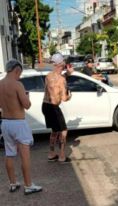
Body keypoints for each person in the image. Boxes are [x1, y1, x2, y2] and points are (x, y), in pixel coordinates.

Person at [0, 59, 42, 195]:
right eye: (20, 73)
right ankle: (28, 185)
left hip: (5, 122)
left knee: (9, 154)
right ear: (17, 70)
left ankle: (13, 183)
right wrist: (27, 97)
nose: (20, 76)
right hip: (18, 122)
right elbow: (27, 105)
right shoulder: (17, 85)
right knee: (25, 155)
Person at [42, 53, 71, 163]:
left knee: (54, 130)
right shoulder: (62, 80)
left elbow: (55, 82)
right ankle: (62, 156)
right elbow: (64, 98)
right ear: (61, 64)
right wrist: (70, 95)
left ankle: (51, 154)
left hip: (45, 105)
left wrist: (67, 74)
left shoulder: (48, 76)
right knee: (63, 130)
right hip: (54, 106)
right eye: (63, 62)